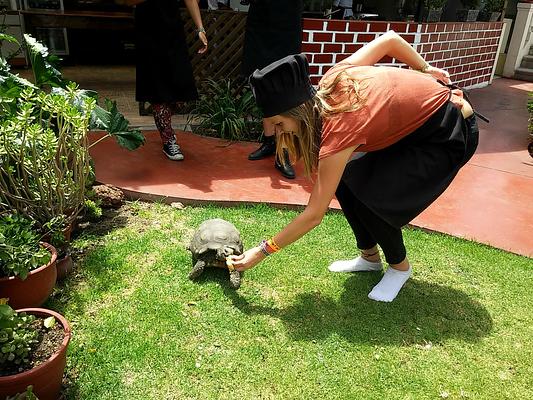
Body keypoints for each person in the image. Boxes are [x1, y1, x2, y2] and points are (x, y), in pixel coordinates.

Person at [229, 31, 479, 302]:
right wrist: (425, 68)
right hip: (415, 131)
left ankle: (399, 268)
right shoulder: (331, 79)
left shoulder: (340, 126)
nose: (279, 134)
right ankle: (369, 258)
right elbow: (390, 41)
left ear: (299, 113)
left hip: (449, 133)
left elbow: (314, 214)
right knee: (348, 181)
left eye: (279, 125)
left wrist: (262, 251)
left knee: (374, 198)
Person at [126, 0, 208, 161]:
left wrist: (200, 28)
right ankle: (168, 139)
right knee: (159, 88)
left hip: (173, 29)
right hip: (148, 30)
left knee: (181, 82)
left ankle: (167, 131)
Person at [241, 0, 304, 179]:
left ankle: (282, 153)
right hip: (261, 22)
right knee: (262, 83)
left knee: (283, 91)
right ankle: (269, 142)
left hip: (286, 26)